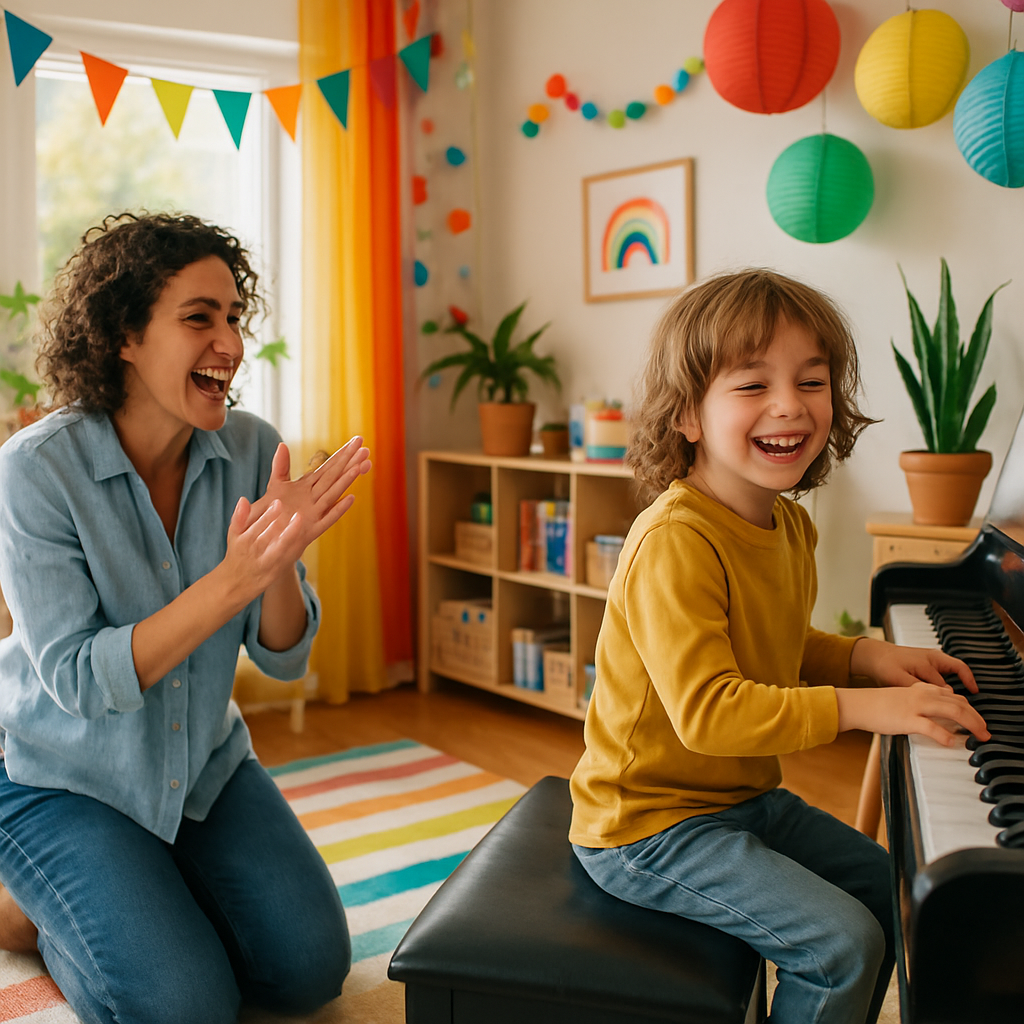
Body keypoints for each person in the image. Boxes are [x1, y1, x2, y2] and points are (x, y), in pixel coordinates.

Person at [568, 269, 990, 1024]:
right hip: (648, 825)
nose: (790, 405)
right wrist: (868, 708)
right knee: (843, 946)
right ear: (688, 416)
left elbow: (781, 646)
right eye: (752, 384)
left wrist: (868, 658)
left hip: (740, 799)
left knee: (894, 892)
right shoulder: (676, 540)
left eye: (812, 380)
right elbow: (711, 715)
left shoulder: (789, 525)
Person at [0, 212, 369, 1024]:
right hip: (63, 779)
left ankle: (141, 889)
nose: (229, 342)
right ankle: (31, 912)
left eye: (234, 317)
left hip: (200, 766)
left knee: (310, 970)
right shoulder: (37, 470)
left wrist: (275, 567)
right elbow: (75, 681)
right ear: (124, 333)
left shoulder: (249, 447)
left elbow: (284, 660)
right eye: (198, 317)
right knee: (183, 1008)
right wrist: (234, 580)